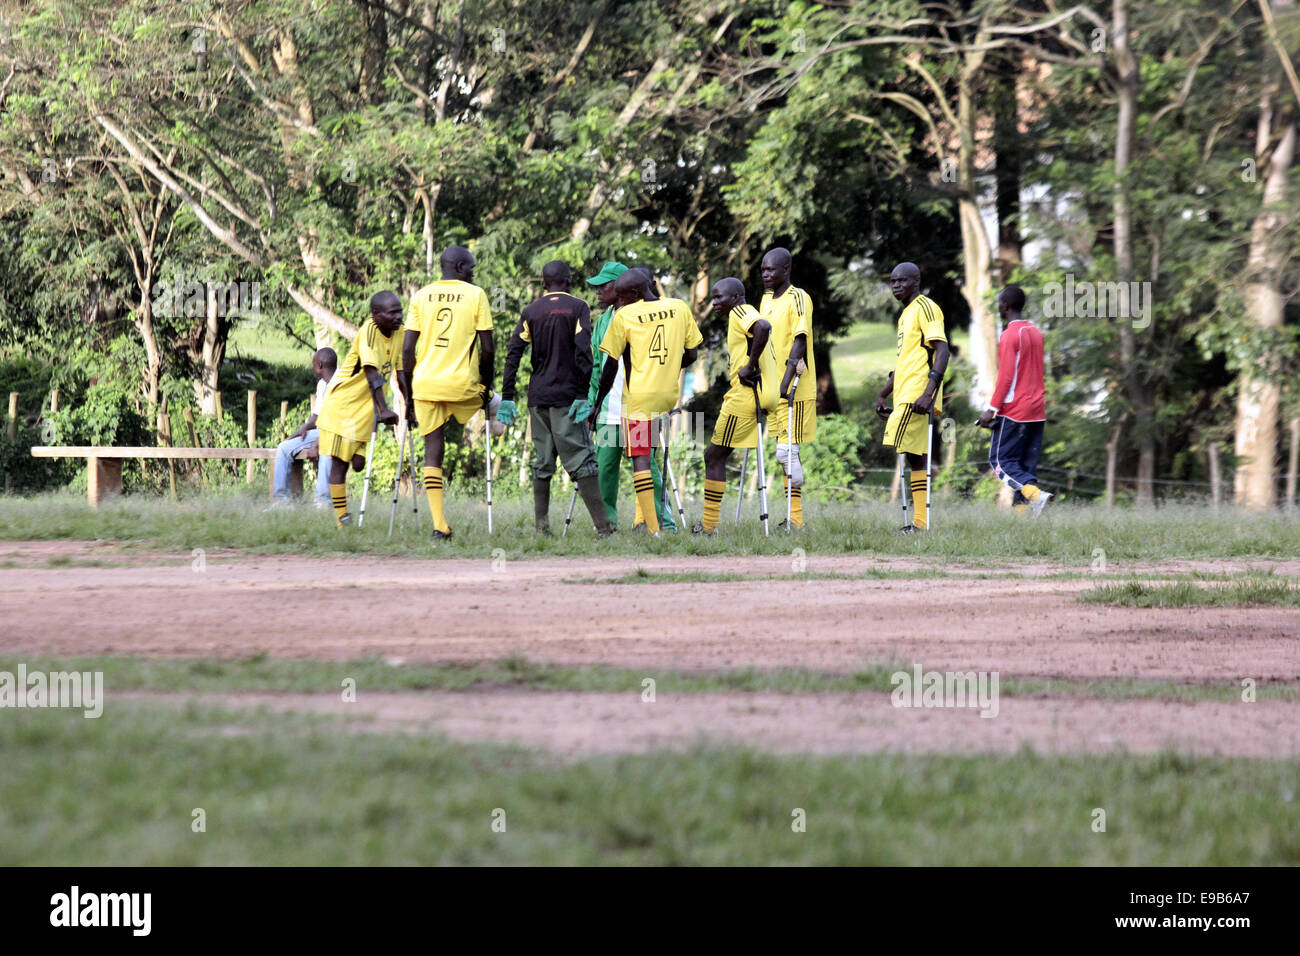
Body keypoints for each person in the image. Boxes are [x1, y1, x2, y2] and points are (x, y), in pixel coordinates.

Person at [498, 261, 612, 536]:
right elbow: (583, 351)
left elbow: (513, 353)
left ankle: (542, 529)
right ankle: (605, 530)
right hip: (567, 399)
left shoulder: (531, 310)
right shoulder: (578, 307)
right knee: (582, 460)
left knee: (543, 462)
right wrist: (583, 395)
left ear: (543, 284)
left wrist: (507, 396)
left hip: (538, 399)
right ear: (569, 281)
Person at [589, 269, 702, 537]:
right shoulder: (679, 306)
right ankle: (633, 523)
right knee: (635, 457)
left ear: (634, 294)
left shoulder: (626, 316)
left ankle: (655, 529)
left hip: (637, 400)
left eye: (622, 296)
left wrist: (597, 401)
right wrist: (667, 369)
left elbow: (608, 368)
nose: (620, 301)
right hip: (666, 395)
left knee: (640, 460)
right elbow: (692, 354)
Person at [399, 245, 495, 541]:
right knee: (496, 404)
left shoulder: (420, 295)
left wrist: (410, 397)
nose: (474, 272)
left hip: (425, 386)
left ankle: (440, 525)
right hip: (462, 386)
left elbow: (406, 350)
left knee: (433, 448)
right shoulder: (476, 294)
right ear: (459, 267)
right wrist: (487, 386)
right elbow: (488, 348)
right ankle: (497, 411)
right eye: (472, 268)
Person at [579, 262, 676, 532]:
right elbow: (598, 367)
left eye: (604, 286)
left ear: (622, 286)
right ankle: (606, 526)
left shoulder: (648, 314)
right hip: (609, 409)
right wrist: (591, 404)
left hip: (641, 406)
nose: (598, 291)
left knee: (646, 469)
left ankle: (661, 524)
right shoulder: (603, 322)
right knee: (606, 469)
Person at [692, 277, 777, 535]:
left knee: (713, 456)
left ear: (736, 296)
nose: (715, 302)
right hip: (763, 394)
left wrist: (749, 366)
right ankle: (709, 525)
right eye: (713, 297)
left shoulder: (742, 311)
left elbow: (763, 326)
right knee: (717, 455)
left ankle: (708, 527)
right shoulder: (738, 315)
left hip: (745, 395)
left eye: (720, 297)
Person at [315, 293, 403, 527]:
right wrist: (384, 410)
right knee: (340, 464)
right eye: (392, 313)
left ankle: (343, 514)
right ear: (376, 315)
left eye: (399, 311)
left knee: (358, 464)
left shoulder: (399, 333)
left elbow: (401, 371)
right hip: (344, 406)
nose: (398, 316)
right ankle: (342, 519)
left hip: (365, 409)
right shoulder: (369, 332)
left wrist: (410, 404)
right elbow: (372, 372)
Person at [875, 262, 949, 534]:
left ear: (916, 281)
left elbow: (942, 350)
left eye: (901, 281)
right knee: (912, 453)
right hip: (904, 391)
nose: (896, 285)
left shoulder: (926, 307)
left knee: (910, 450)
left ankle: (920, 523)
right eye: (892, 281)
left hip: (919, 393)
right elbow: (905, 361)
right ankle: (919, 523)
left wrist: (929, 393)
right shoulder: (906, 313)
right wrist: (884, 392)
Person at [977, 285, 1051, 516]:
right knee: (1025, 467)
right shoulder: (1036, 332)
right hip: (1038, 409)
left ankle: (1037, 496)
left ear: (1005, 306)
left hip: (1015, 410)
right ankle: (1022, 518)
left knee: (1001, 462)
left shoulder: (1010, 335)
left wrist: (991, 410)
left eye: (999, 304)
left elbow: (1006, 376)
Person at [761, 247, 817, 528]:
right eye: (763, 270)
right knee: (782, 453)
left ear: (786, 270)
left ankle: (796, 520)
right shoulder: (765, 301)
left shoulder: (799, 298)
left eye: (771, 269)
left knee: (787, 453)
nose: (766, 275)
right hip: (772, 389)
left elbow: (800, 340)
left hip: (794, 388)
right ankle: (793, 519)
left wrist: (784, 383)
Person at [270, 347, 337, 508]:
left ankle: (322, 502)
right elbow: (317, 416)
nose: (312, 367)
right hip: (323, 430)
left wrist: (317, 443)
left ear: (320, 365)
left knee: (326, 451)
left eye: (313, 364)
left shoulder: (342, 382)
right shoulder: (322, 384)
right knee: (284, 448)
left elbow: (337, 420)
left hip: (338, 432)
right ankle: (281, 502)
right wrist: (304, 428)